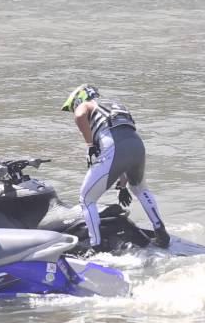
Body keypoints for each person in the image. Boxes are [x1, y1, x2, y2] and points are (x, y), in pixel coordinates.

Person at [61, 84, 170, 253]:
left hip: (115, 146)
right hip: (136, 145)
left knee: (86, 198)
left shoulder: (88, 104)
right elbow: (125, 145)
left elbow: (79, 115)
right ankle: (161, 233)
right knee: (140, 190)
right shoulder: (115, 105)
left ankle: (96, 246)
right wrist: (122, 185)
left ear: (79, 98)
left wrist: (89, 145)